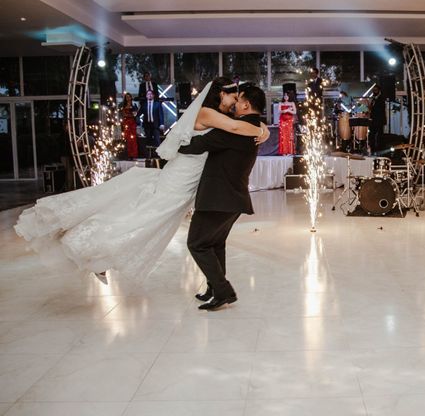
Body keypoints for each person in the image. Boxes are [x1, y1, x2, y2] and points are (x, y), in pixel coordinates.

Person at [14, 78, 270, 284]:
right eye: (233, 97)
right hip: (181, 178)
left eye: (238, 99)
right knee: (143, 218)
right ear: (219, 93)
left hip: (187, 179)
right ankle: (87, 245)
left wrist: (263, 128)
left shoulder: (217, 115)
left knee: (148, 222)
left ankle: (99, 256)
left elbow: (237, 127)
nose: (236, 102)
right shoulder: (206, 112)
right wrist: (262, 130)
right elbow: (238, 128)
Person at [179, 84, 266, 311]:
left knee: (196, 243)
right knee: (215, 244)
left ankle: (223, 290)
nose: (234, 103)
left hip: (218, 198)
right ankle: (213, 289)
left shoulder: (235, 130)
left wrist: (174, 140)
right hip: (232, 199)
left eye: (238, 99)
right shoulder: (254, 127)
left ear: (246, 104)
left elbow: (195, 146)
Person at [119, 92, 138, 159]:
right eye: (126, 97)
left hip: (132, 123)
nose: (128, 98)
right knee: (127, 139)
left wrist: (131, 115)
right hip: (126, 123)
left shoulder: (134, 105)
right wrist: (129, 115)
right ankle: (128, 154)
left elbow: (135, 114)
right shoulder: (122, 105)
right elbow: (123, 114)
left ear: (131, 97)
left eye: (129, 97)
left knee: (133, 139)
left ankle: (133, 154)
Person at [368, 84, 386, 154]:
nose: (374, 91)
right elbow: (371, 108)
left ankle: (379, 149)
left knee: (379, 135)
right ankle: (373, 148)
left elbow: (379, 109)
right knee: (372, 134)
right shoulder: (373, 98)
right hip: (373, 120)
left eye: (375, 90)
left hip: (379, 120)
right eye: (373, 90)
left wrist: (372, 107)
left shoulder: (381, 98)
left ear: (379, 91)